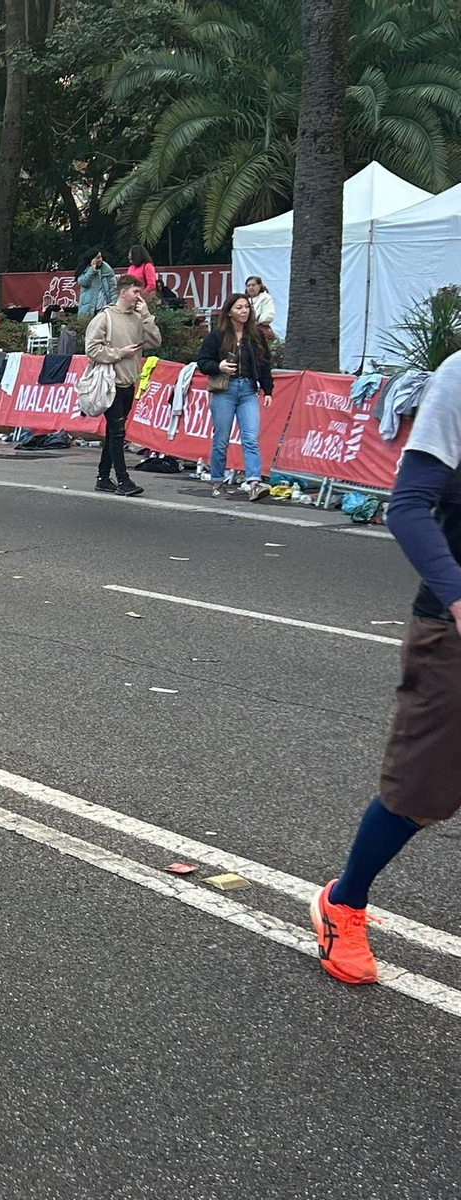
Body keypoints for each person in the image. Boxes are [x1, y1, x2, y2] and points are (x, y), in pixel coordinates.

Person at [311, 347, 461, 986]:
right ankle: (343, 902)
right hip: (451, 632)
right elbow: (407, 506)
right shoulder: (460, 377)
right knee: (420, 796)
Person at [85, 276, 162, 498]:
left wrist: (146, 315)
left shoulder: (138, 318)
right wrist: (119, 353)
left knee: (114, 431)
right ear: (123, 292)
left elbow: (155, 342)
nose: (139, 296)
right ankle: (122, 479)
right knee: (117, 432)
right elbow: (92, 348)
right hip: (110, 383)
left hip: (129, 382)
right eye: (135, 292)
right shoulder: (105, 317)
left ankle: (103, 477)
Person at [196, 293, 273, 502]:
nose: (244, 311)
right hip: (224, 390)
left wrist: (268, 390)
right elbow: (202, 362)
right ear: (229, 311)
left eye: (247, 307)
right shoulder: (217, 336)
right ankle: (218, 482)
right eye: (239, 307)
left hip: (248, 389)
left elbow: (265, 364)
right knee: (221, 439)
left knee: (250, 438)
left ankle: (254, 483)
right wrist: (218, 366)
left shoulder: (255, 335)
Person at [76, 248, 117, 318]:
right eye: (97, 258)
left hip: (104, 307)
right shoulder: (84, 270)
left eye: (101, 257)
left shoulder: (107, 270)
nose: (100, 259)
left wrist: (113, 305)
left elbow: (113, 289)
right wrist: (92, 270)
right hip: (88, 308)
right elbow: (84, 282)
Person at [245, 275, 276, 341]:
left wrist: (255, 320)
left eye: (253, 285)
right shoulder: (244, 299)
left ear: (259, 286)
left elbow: (269, 316)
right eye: (248, 286)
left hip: (260, 329)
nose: (251, 287)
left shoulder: (266, 297)